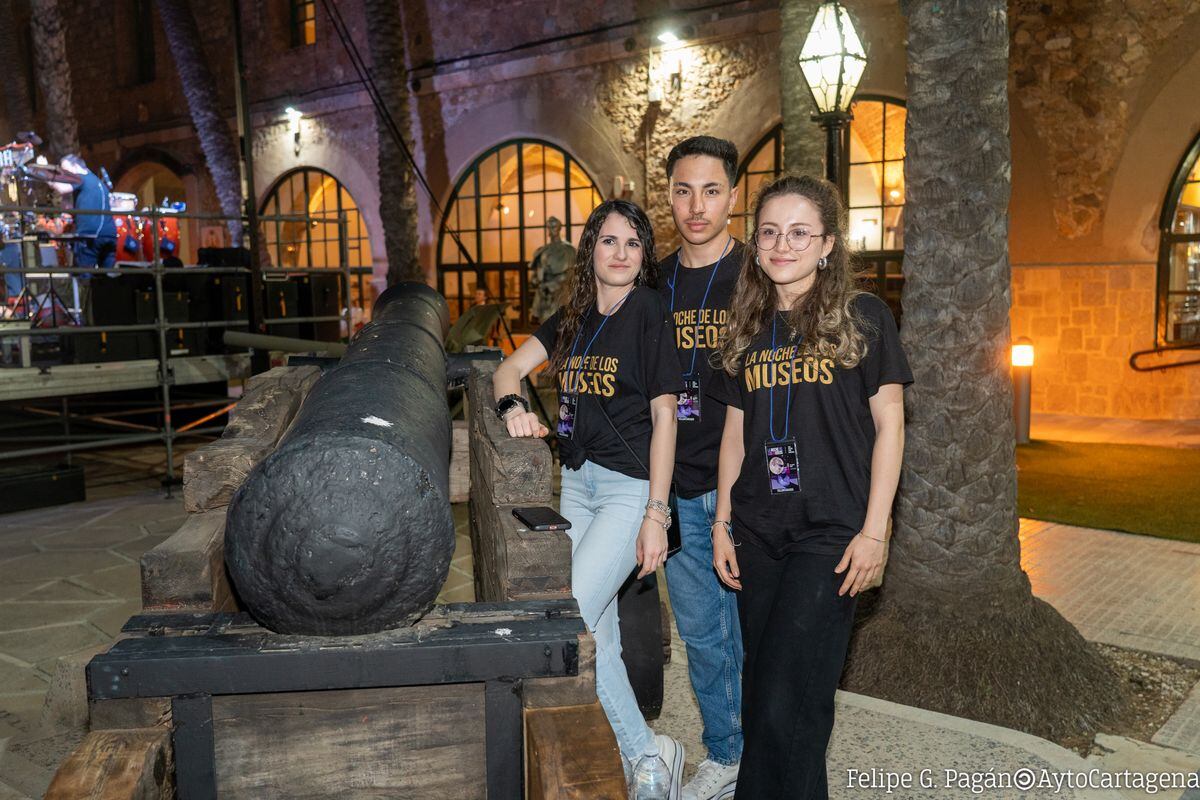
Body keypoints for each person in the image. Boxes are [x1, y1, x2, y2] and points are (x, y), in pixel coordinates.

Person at [707, 174, 911, 800]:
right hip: (758, 531)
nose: (782, 245)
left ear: (827, 245)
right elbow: (735, 437)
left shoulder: (863, 317)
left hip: (831, 533)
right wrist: (722, 523)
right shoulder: (746, 325)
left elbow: (891, 426)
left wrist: (875, 531)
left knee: (790, 696)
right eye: (769, 232)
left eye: (800, 233)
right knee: (767, 692)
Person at [493, 199, 687, 796]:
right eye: (609, 240)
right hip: (578, 482)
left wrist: (657, 512)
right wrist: (514, 409)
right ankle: (642, 755)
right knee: (599, 633)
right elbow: (506, 371)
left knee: (571, 615)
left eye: (633, 243)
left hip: (631, 489)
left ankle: (649, 754)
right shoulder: (572, 316)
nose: (621, 253)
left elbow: (666, 415)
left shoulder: (649, 310)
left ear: (644, 255)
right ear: (590, 250)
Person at [658, 135, 745, 800]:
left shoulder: (761, 275)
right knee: (703, 636)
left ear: (732, 197)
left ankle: (767, 753)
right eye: (684, 190)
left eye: (711, 190)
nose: (697, 205)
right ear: (668, 195)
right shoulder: (651, 282)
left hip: (750, 488)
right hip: (678, 488)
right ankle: (726, 753)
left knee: (756, 632)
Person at [529, 216, 575, 322]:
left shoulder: (569, 250)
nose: (551, 230)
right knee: (545, 324)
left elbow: (570, 274)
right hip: (544, 297)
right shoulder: (542, 251)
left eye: (554, 227)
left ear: (559, 228)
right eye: (549, 227)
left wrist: (551, 285)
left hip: (561, 294)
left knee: (561, 323)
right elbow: (535, 276)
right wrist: (536, 280)